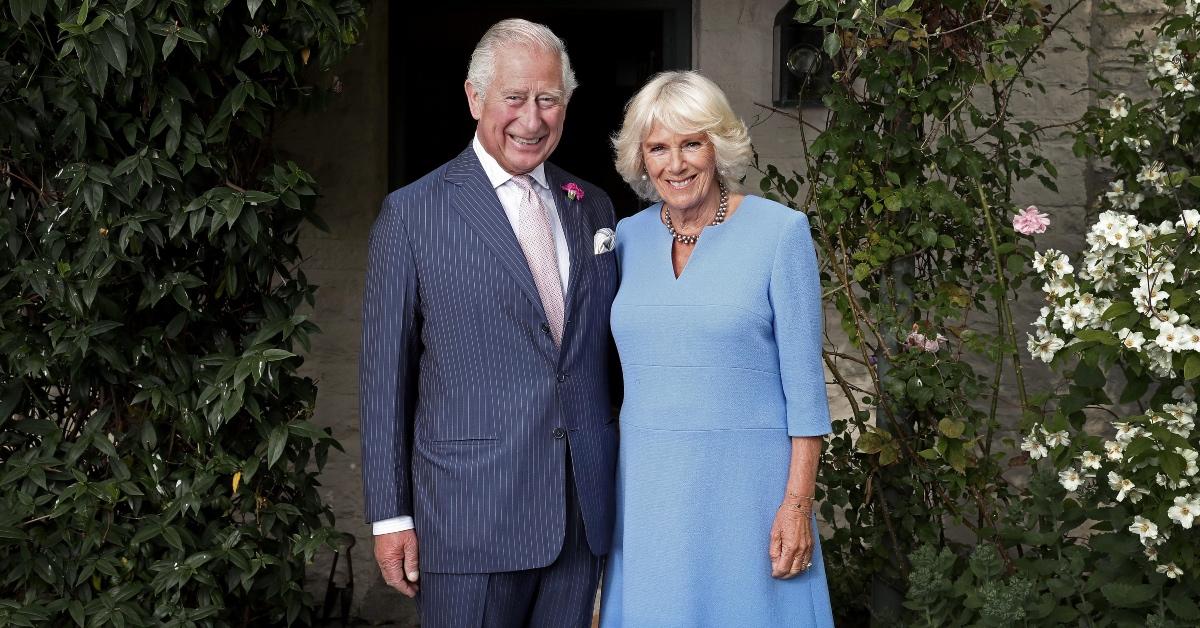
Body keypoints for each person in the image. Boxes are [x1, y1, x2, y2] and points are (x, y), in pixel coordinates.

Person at [359, 19, 619, 627]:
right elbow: (382, 379)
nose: (532, 119)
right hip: (469, 519)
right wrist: (390, 515)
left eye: (548, 100)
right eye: (515, 98)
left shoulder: (594, 206)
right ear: (475, 98)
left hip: (580, 515)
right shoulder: (413, 213)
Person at [599, 70, 834, 627]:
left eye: (691, 144)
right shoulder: (625, 237)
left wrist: (797, 506)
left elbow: (806, 392)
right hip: (648, 490)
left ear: (718, 146)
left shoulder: (781, 233)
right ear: (641, 158)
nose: (675, 164)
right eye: (658, 147)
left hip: (748, 493)